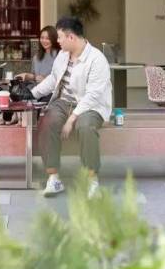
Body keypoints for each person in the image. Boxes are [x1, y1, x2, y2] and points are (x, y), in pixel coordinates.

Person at [18, 16, 112, 198]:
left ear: (71, 37)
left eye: (60, 37)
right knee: (47, 123)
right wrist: (32, 94)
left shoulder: (96, 59)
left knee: (85, 127)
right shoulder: (63, 55)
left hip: (90, 105)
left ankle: (92, 180)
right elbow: (53, 79)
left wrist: (71, 119)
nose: (58, 41)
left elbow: (93, 95)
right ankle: (54, 178)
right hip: (63, 102)